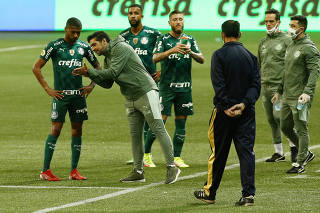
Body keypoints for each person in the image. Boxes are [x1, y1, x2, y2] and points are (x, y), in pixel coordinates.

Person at [72, 31, 181, 184]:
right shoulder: (109, 57)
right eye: (90, 46)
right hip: (130, 97)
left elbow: (113, 72)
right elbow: (108, 83)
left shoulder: (120, 47)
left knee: (158, 128)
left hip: (146, 91)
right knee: (135, 135)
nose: (93, 49)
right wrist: (90, 75)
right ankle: (138, 171)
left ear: (104, 41)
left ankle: (172, 167)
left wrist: (90, 71)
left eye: (94, 44)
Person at [194, 20, 261, 206]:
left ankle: (210, 193)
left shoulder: (219, 55)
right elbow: (256, 86)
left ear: (223, 35)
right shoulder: (250, 57)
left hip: (224, 114)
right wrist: (243, 104)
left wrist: (227, 106)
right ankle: (248, 195)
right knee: (246, 152)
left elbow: (219, 84)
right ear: (240, 35)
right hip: (246, 113)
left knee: (218, 153)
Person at [32, 17, 101, 181]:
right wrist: (48, 89)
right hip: (61, 96)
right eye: (73, 32)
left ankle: (74, 171)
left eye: (79, 32)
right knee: (55, 129)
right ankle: (45, 171)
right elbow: (36, 67)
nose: (76, 35)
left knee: (77, 130)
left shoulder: (84, 47)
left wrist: (91, 85)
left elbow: (98, 67)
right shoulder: (54, 46)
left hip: (78, 96)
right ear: (66, 29)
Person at [151, 10, 204, 168]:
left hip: (184, 89)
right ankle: (146, 154)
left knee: (181, 123)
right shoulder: (164, 39)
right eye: (175, 19)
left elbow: (201, 59)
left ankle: (177, 157)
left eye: (180, 19)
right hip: (167, 88)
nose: (178, 22)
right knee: (160, 123)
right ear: (169, 23)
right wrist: (170, 51)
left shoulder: (189, 39)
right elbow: (154, 57)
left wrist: (192, 52)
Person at [272, 15, 319, 173]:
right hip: (287, 95)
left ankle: (300, 164)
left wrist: (307, 92)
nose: (289, 28)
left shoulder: (309, 48)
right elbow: (287, 71)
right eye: (290, 25)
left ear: (302, 29)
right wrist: (279, 90)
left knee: (301, 128)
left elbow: (314, 72)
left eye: (292, 25)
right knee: (285, 126)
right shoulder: (291, 44)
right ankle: (306, 152)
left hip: (300, 97)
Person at [120, 4, 162, 167]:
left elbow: (165, 50)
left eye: (136, 13)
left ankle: (147, 154)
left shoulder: (153, 34)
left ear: (142, 15)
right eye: (130, 13)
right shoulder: (123, 36)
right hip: (131, 85)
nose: (133, 16)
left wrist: (162, 71)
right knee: (137, 120)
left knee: (150, 118)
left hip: (150, 83)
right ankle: (139, 154)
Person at [258, 9, 298, 163]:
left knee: (280, 118)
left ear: (278, 22)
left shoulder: (287, 40)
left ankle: (294, 147)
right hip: (265, 86)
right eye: (266, 21)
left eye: (271, 21)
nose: (268, 24)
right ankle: (278, 152)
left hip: (279, 87)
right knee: (271, 119)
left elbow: (292, 65)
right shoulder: (263, 42)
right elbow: (259, 64)